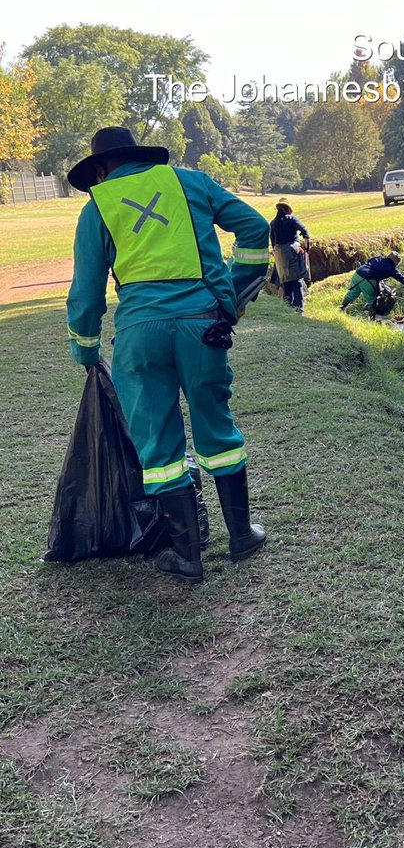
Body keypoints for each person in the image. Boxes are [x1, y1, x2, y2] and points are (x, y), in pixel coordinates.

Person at [65, 126, 270, 583]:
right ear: (142, 156)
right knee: (217, 428)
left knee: (158, 445)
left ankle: (187, 555)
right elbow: (256, 227)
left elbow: (85, 294)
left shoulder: (97, 205)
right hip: (203, 328)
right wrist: (235, 293)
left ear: (100, 169)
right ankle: (241, 537)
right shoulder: (190, 181)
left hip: (139, 334)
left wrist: (86, 348)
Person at [339, 250, 404, 318]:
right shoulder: (390, 268)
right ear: (395, 262)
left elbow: (370, 261)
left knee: (354, 292)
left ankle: (341, 308)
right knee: (372, 299)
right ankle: (372, 320)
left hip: (357, 274)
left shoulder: (380, 258)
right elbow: (400, 278)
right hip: (368, 279)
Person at [270, 199, 310, 311]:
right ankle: (299, 308)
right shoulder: (292, 219)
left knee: (285, 280)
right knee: (297, 279)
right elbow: (304, 231)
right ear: (288, 208)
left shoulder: (273, 223)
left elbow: (273, 242)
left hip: (279, 253)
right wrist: (306, 245)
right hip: (292, 250)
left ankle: (288, 308)